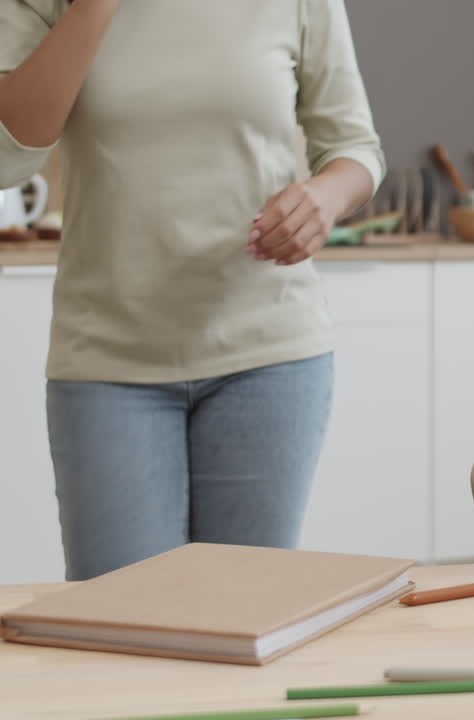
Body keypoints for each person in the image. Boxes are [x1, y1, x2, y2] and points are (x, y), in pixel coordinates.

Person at [0, 0, 383, 580]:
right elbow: (7, 154)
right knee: (121, 629)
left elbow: (356, 148)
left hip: (268, 356)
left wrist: (323, 199)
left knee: (245, 618)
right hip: (107, 362)